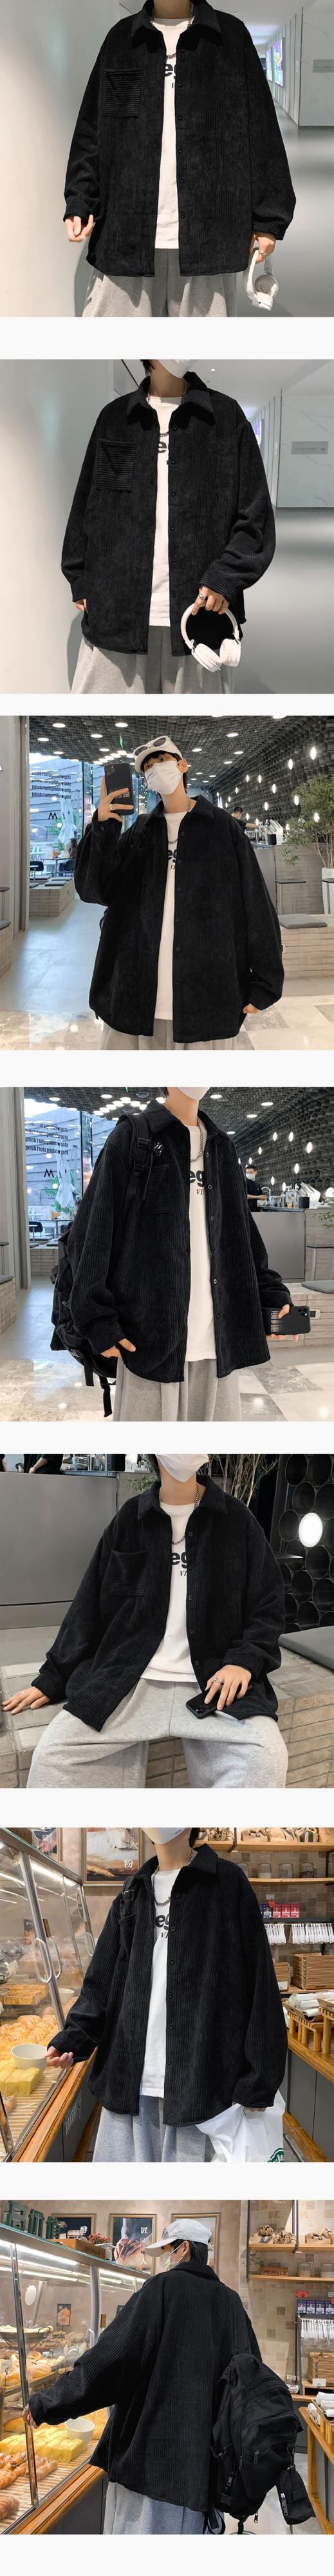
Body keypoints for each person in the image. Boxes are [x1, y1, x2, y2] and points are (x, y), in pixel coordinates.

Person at [5, 1453, 288, 1788]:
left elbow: (268, 1603)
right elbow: (89, 1603)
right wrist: (53, 1677)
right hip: (129, 1678)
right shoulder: (131, 1518)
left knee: (265, 1758)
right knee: (53, 1758)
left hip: (213, 1683)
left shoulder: (236, 1519)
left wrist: (244, 1661)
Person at [49, 1084, 297, 1423]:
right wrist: (96, 1319)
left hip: (218, 1345)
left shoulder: (222, 1147)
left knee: (212, 1447)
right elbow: (92, 1236)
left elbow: (242, 1236)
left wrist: (271, 1295)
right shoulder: (133, 1138)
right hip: (148, 1341)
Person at [43, 1826, 287, 2161]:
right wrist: (73, 2038)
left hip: (202, 2083)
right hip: (128, 2079)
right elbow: (102, 1980)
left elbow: (260, 1982)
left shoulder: (227, 1883)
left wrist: (260, 2078)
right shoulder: (133, 1890)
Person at [25, 2220, 262, 2532]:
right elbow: (250, 2378)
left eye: (167, 2251)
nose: (164, 2260)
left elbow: (111, 2362)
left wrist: (49, 2403)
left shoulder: (162, 2289)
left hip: (153, 2467)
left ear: (184, 2249)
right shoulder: (232, 2304)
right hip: (205, 2472)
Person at [64, 0, 295, 321]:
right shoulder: (121, 39)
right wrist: (80, 199)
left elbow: (262, 128)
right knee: (111, 334)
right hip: (125, 230)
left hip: (210, 231)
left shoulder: (230, 37)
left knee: (199, 344)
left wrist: (269, 219)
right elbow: (92, 129)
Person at [62, 361, 276, 697]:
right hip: (116, 611)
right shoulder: (115, 417)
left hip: (201, 616)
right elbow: (89, 503)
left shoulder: (225, 416)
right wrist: (78, 575)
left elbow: (256, 515)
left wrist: (226, 577)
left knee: (199, 719)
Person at [75, 736, 284, 1049]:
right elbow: (95, 890)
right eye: (148, 767)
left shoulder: (222, 827)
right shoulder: (141, 831)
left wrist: (266, 982)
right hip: (133, 995)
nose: (155, 769)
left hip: (207, 999)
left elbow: (255, 900)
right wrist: (103, 828)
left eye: (161, 760)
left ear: (182, 765)